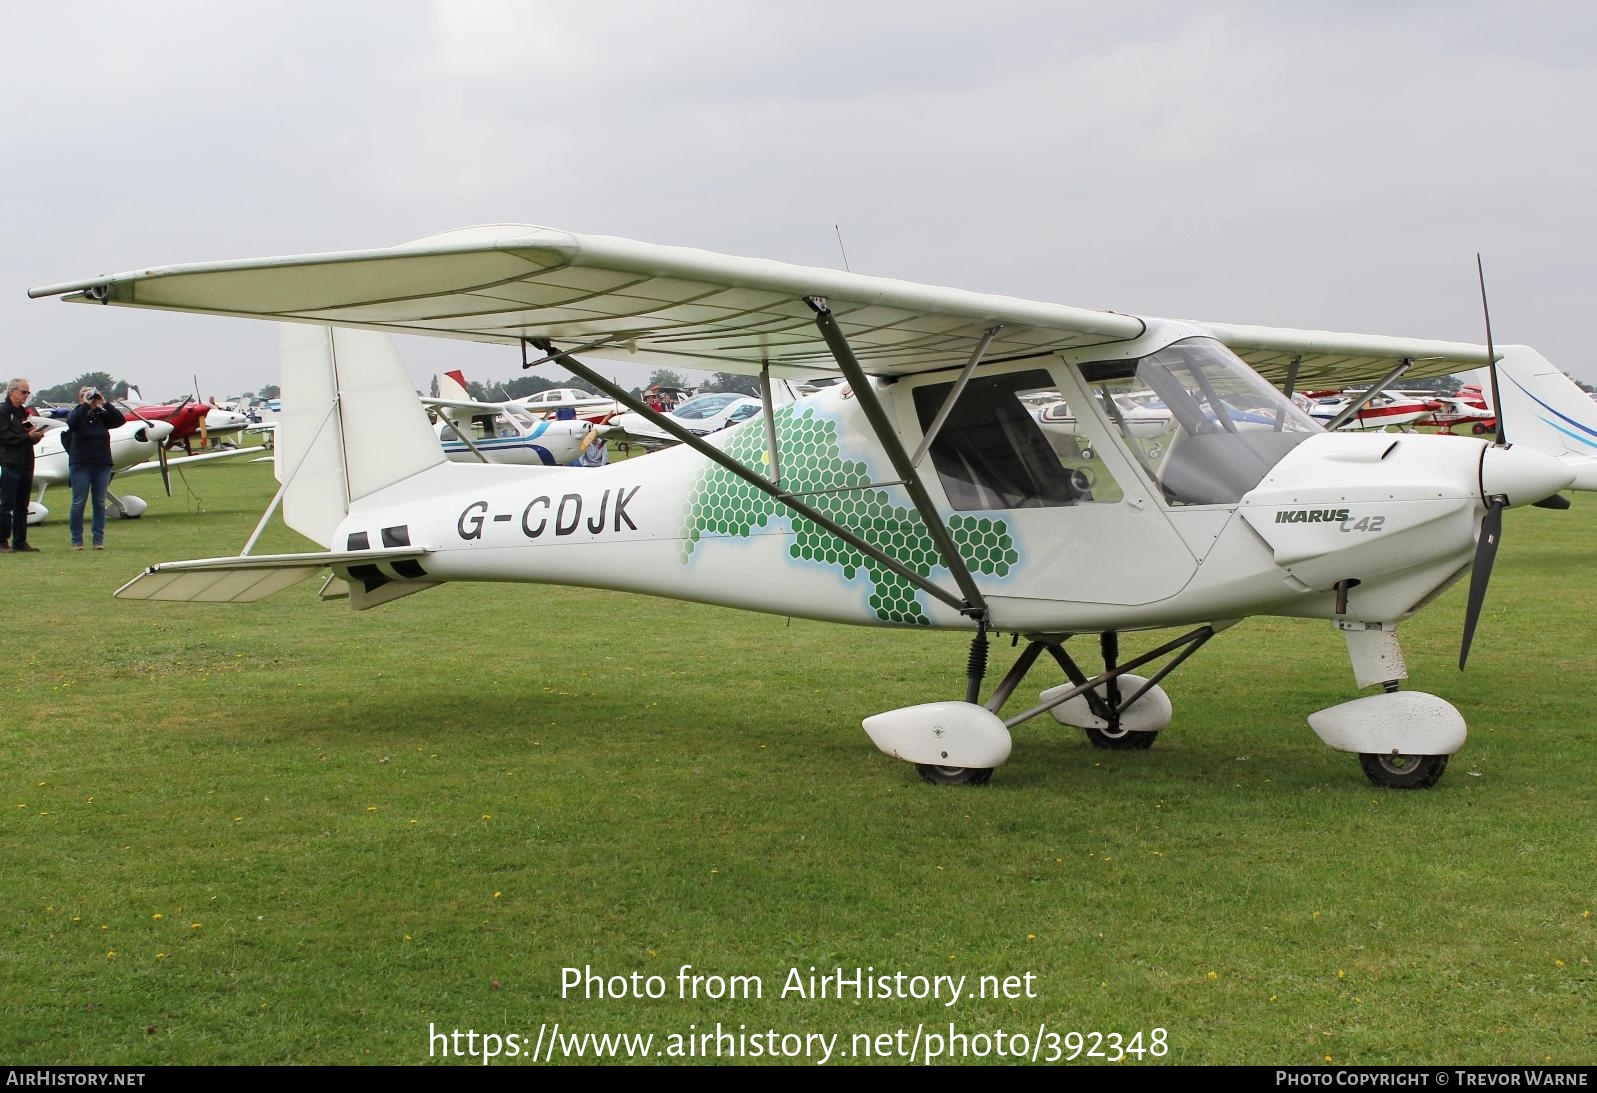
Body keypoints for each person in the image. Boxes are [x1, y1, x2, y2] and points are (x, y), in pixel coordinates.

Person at [65, 387, 126, 550]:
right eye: (87, 396)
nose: (92, 399)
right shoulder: (77, 413)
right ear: (80, 399)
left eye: (93, 396)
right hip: (80, 464)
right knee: (79, 502)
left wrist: (105, 403)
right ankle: (76, 540)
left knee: (99, 502)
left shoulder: (102, 415)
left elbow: (120, 421)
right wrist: (85, 404)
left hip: (102, 463)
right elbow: (72, 424)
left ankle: (98, 540)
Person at [0, 378, 46, 553]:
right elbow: (4, 436)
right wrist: (27, 437)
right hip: (10, 463)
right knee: (6, 505)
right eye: (23, 392)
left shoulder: (23, 413)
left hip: (27, 462)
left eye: (28, 393)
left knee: (22, 505)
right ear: (12, 392)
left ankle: (20, 541)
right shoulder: (3, 411)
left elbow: (26, 435)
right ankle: (2, 541)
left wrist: (36, 435)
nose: (26, 396)